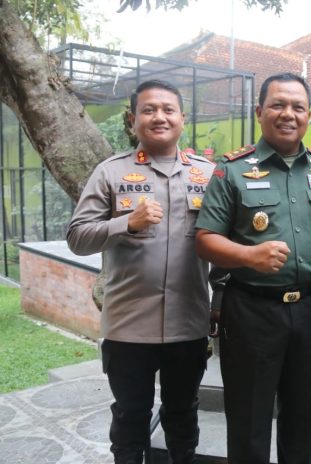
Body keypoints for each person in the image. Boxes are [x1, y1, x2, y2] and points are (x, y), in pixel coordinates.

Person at [194, 73, 311, 464]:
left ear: (308, 115)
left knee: (303, 420)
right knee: (248, 423)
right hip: (252, 311)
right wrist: (249, 256)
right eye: (278, 105)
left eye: (298, 107)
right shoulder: (231, 170)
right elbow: (205, 239)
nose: (288, 114)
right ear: (259, 111)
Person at [67, 79, 215, 464]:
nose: (159, 117)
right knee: (130, 417)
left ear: (183, 118)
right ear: (133, 120)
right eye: (148, 110)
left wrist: (221, 303)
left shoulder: (208, 175)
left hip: (188, 324)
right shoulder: (110, 173)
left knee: (183, 414)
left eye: (168, 109)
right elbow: (77, 237)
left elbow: (225, 243)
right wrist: (126, 223)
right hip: (129, 328)